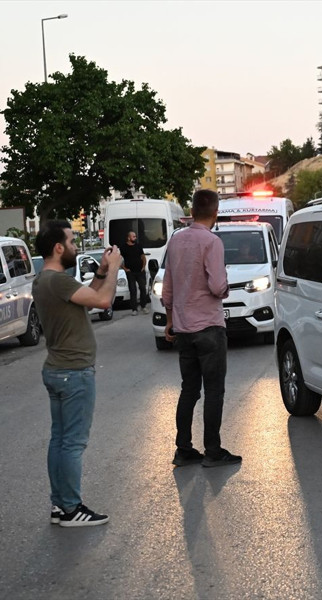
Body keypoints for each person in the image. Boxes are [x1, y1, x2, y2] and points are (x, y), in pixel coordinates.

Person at [33, 220, 122, 527]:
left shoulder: (44, 280)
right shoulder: (58, 281)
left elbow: (89, 297)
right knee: (72, 443)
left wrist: (100, 271)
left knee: (59, 440)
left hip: (58, 370)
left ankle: (60, 505)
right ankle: (71, 508)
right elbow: (103, 300)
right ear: (58, 248)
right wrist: (114, 269)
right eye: (71, 242)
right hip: (73, 373)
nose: (74, 246)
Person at [162, 189, 241, 468]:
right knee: (214, 391)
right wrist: (226, 286)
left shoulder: (176, 242)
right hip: (209, 327)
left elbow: (168, 288)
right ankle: (213, 450)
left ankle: (183, 449)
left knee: (189, 390)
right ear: (215, 212)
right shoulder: (212, 242)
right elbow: (217, 286)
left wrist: (170, 321)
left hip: (183, 328)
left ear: (192, 211)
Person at [120, 230, 149, 316]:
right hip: (130, 272)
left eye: (135, 236)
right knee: (133, 290)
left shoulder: (138, 246)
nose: (135, 238)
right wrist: (125, 269)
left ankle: (143, 306)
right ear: (129, 238)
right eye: (133, 236)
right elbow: (120, 259)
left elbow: (143, 257)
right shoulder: (123, 247)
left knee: (143, 288)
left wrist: (143, 266)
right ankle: (134, 309)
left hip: (140, 271)